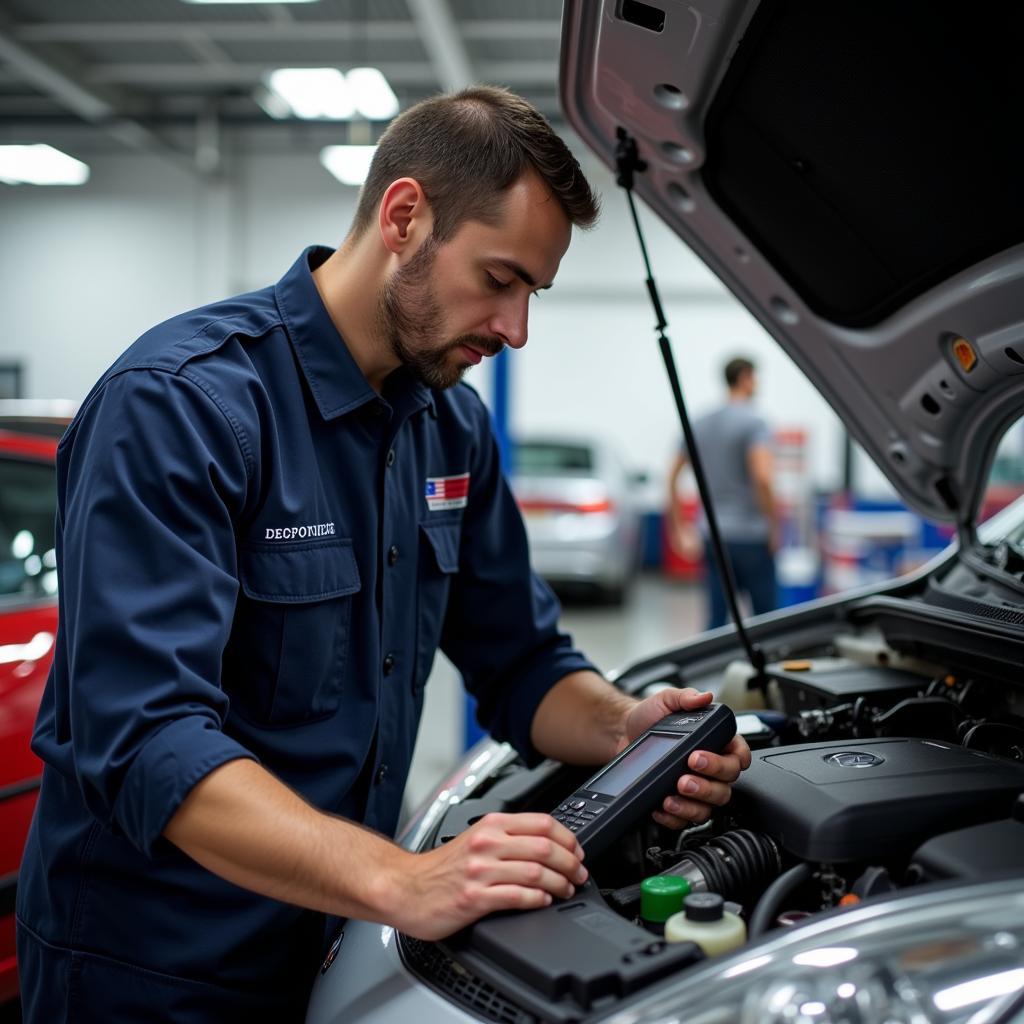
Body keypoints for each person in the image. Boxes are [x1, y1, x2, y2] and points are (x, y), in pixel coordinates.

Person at [17, 87, 751, 1023]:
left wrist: (625, 730)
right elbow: (148, 742)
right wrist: (404, 881)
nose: (516, 328)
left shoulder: (452, 427)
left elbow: (521, 662)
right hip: (154, 972)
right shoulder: (183, 408)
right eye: (499, 278)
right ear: (404, 217)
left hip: (332, 947)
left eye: (534, 291)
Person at [667, 357, 779, 628]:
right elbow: (763, 478)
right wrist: (774, 525)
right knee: (767, 619)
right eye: (755, 377)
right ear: (744, 377)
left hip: (713, 535)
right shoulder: (755, 423)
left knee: (716, 618)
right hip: (751, 535)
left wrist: (680, 527)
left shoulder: (701, 422)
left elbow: (672, 477)